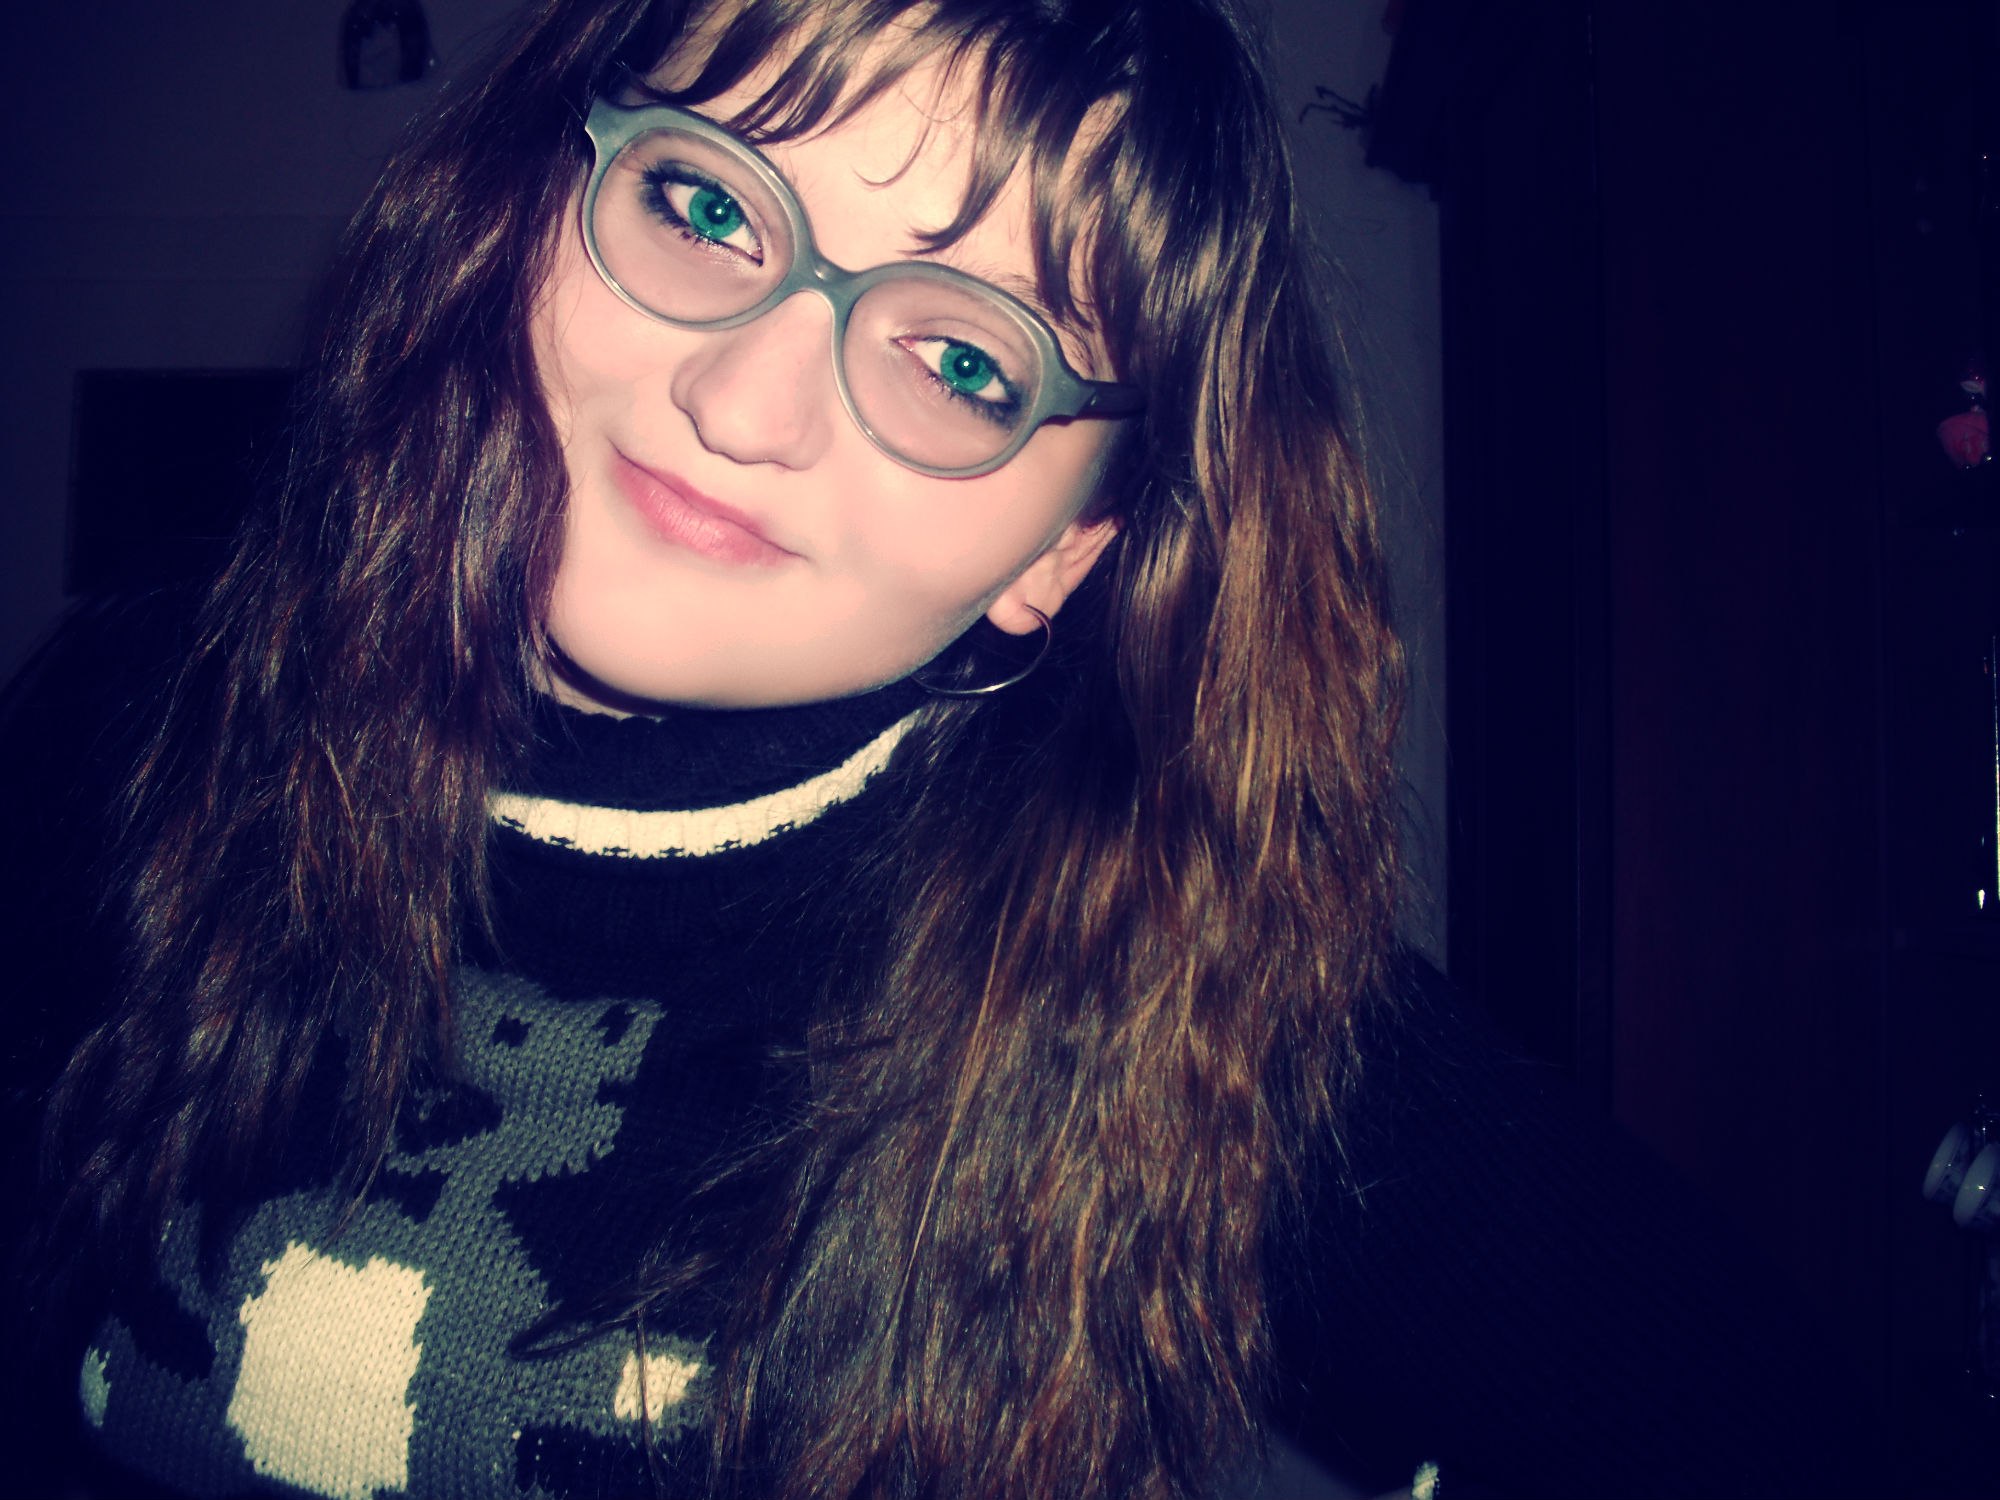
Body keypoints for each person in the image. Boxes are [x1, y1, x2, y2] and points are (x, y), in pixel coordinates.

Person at [0, 0, 1881, 1496]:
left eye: (966, 360)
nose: (742, 398)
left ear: (1067, 553)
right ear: (529, 208)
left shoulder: (1198, 1008)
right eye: (707, 206)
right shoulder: (129, 729)